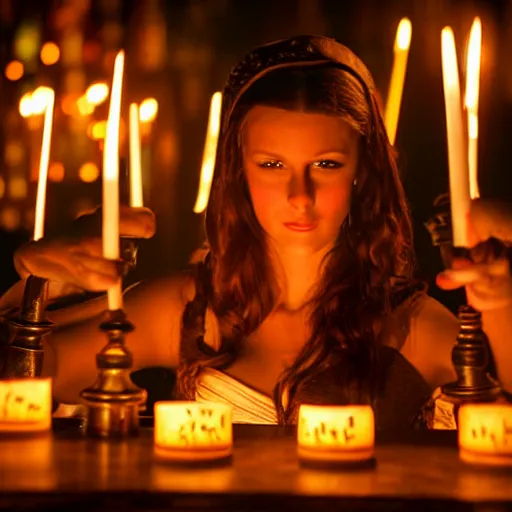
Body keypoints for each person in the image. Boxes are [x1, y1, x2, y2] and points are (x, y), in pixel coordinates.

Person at [1, 36, 511, 429]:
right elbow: (22, 382)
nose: (300, 194)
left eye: (327, 164)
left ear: (363, 171)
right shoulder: (191, 311)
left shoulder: (413, 327)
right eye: (272, 163)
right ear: (237, 170)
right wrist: (37, 281)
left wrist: (505, 302)